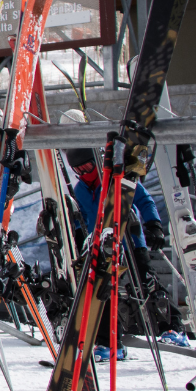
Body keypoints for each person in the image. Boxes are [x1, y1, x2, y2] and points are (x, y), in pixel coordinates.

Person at [64, 147, 176, 360]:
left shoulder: (119, 180)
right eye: (78, 169)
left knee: (146, 282)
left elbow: (145, 201)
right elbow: (85, 217)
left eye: (87, 166)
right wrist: (80, 240)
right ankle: (109, 342)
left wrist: (154, 225)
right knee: (103, 290)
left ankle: (172, 326)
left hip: (130, 241)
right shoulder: (80, 190)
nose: (84, 172)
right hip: (104, 246)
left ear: (97, 162)